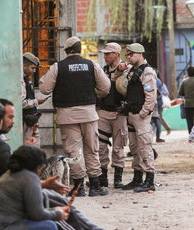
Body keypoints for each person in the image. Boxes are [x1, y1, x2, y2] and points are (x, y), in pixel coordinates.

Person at [0, 98, 134, 230]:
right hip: (6, 207)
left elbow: (13, 180)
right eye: (6, 117)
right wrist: (53, 209)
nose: (12, 121)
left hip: (5, 199)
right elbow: (15, 182)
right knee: (57, 215)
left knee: (58, 200)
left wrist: (42, 184)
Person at [39, 36, 110, 197]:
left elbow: (44, 89)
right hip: (89, 114)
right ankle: (95, 186)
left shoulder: (58, 67)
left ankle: (79, 187)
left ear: (66, 51)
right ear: (80, 50)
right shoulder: (91, 65)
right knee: (92, 149)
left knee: (74, 151)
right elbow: (105, 86)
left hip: (67, 115)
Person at [114, 43, 157, 192]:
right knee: (134, 147)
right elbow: (120, 84)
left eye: (131, 54)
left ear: (140, 54)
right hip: (132, 114)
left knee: (145, 147)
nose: (129, 57)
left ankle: (149, 180)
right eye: (128, 55)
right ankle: (137, 178)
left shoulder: (147, 72)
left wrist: (143, 113)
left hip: (140, 115)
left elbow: (151, 97)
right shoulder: (132, 71)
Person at [96, 42, 128, 188]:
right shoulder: (102, 70)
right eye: (104, 53)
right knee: (101, 146)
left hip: (119, 112)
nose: (105, 56)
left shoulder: (127, 69)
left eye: (108, 53)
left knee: (118, 146)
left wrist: (127, 107)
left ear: (116, 54)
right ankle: (102, 177)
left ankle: (117, 178)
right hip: (103, 111)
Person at [22, 52, 47, 147]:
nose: (34, 71)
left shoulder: (26, 79)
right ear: (24, 66)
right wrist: (37, 101)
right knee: (29, 148)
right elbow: (21, 103)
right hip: (26, 121)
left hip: (32, 120)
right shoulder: (21, 80)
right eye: (32, 68)